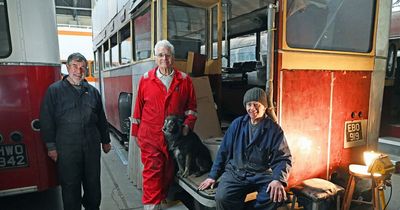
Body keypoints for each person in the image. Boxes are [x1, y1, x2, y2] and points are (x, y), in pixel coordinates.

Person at [198, 87, 292, 210]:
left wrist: (278, 179)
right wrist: (212, 176)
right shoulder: (237, 124)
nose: (252, 108)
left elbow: (283, 158)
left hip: (262, 173)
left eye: (256, 104)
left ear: (264, 107)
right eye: (249, 104)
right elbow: (223, 152)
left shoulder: (274, 130)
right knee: (223, 198)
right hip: (236, 171)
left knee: (273, 197)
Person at [131, 40, 197, 210]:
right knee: (153, 171)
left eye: (167, 55)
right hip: (150, 136)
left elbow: (191, 108)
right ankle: (152, 206)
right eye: (160, 55)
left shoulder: (184, 80)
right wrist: (136, 135)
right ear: (155, 57)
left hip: (174, 138)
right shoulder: (146, 80)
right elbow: (137, 111)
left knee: (168, 172)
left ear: (173, 58)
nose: (164, 59)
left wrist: (188, 125)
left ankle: (161, 200)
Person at [40, 53, 111, 210]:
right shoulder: (54, 91)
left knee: (93, 184)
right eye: (74, 66)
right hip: (67, 148)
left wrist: (106, 141)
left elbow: (101, 118)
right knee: (70, 186)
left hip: (91, 147)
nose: (78, 71)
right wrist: (51, 146)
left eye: (82, 67)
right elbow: (46, 120)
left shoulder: (92, 92)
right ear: (67, 67)